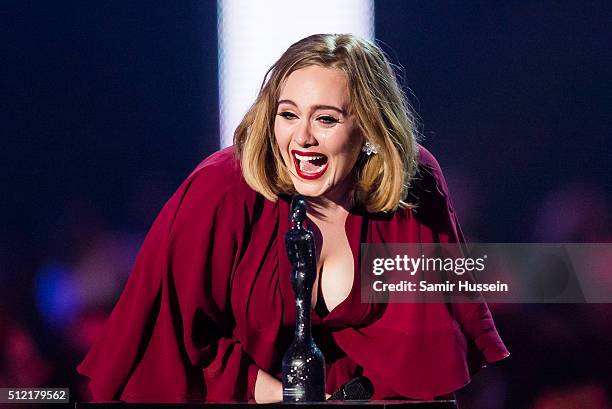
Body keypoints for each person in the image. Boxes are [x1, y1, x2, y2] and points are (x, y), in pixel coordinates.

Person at [77, 33, 509, 403]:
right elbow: (168, 340)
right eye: (288, 115)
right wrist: (282, 394)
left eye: (326, 119)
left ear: (370, 128)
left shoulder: (413, 183)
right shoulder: (220, 190)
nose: (302, 138)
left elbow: (431, 343)